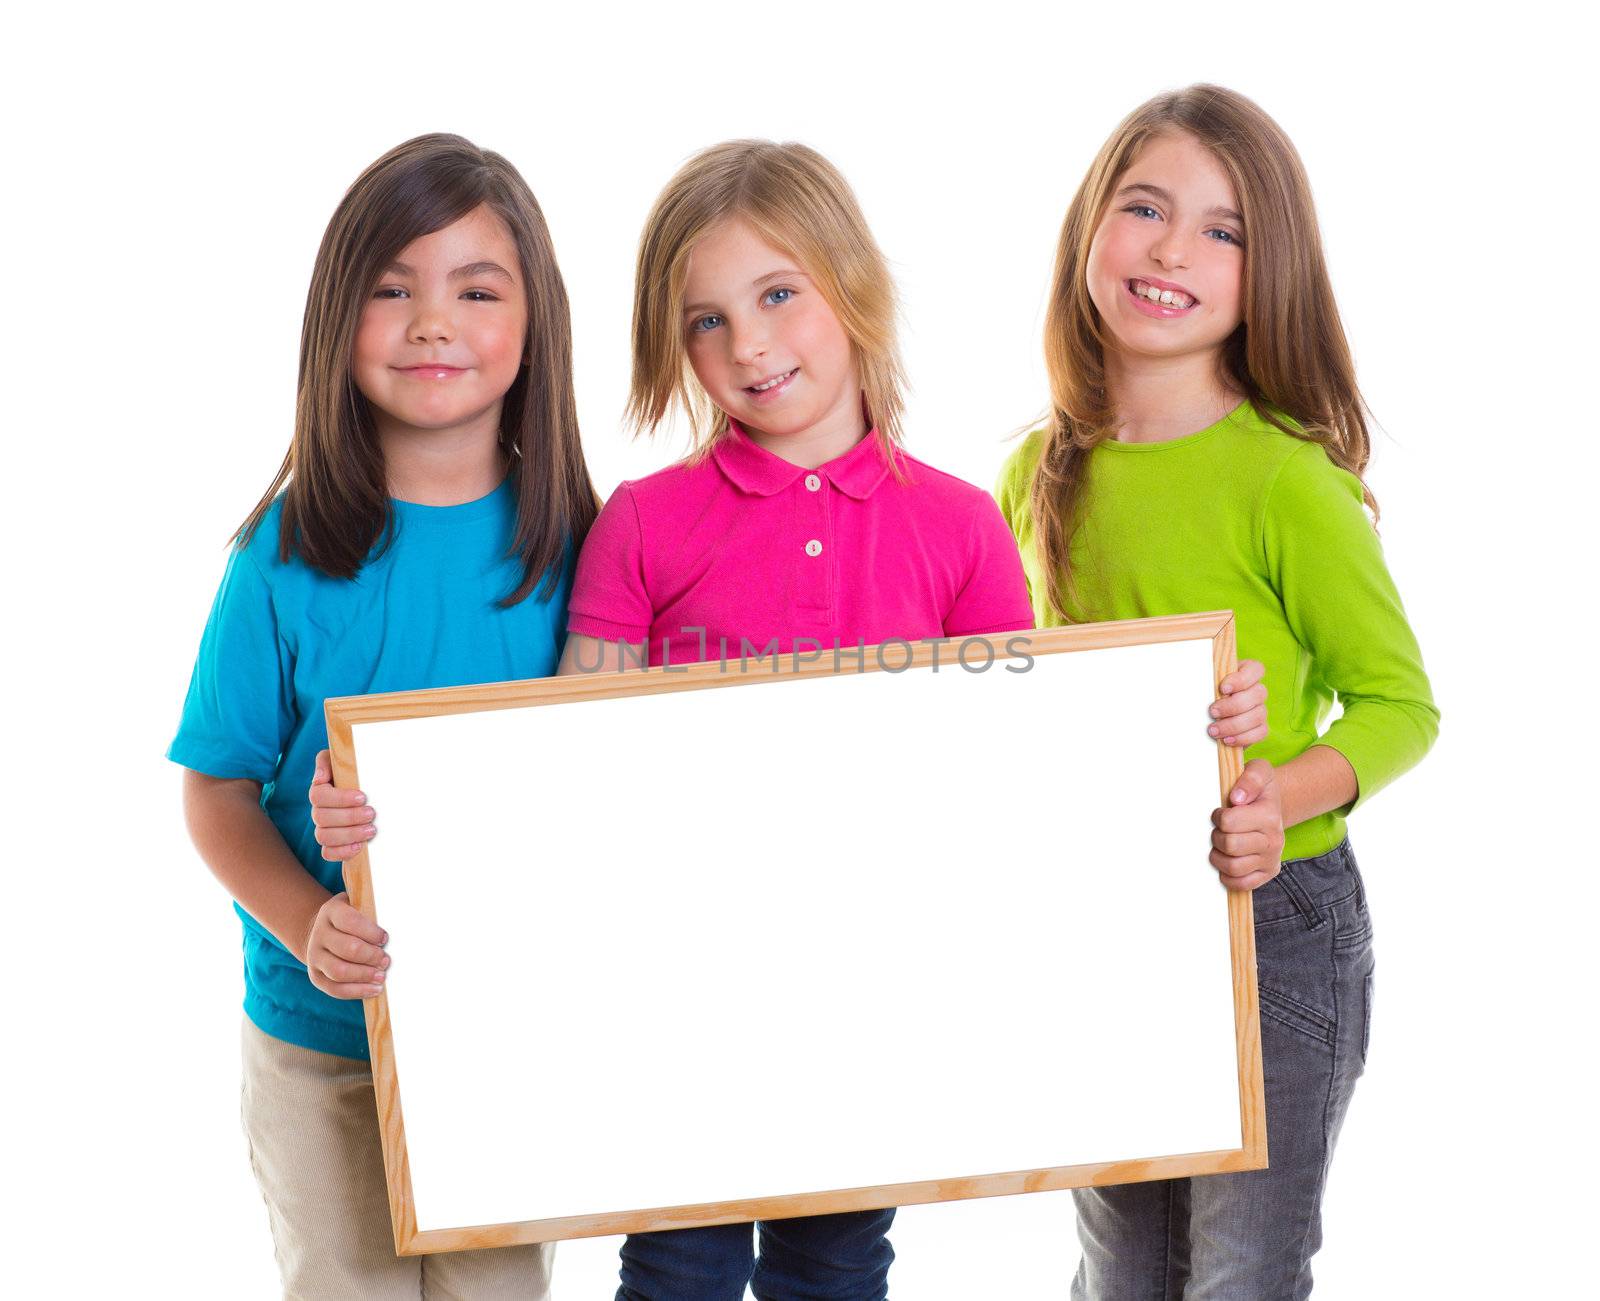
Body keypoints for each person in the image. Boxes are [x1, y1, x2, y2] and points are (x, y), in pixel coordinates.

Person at [315, 137, 1276, 1300]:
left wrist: (1184, 729)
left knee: (836, 1258)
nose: (750, 344)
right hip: (681, 997)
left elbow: (1020, 769)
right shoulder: (645, 522)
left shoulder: (962, 525)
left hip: (870, 994)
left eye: (778, 295)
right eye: (706, 321)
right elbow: (576, 751)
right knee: (678, 1260)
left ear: (853, 287)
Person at [995, 85, 1440, 1298]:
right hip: (1108, 920)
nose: (1171, 249)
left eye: (1221, 229)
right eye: (1143, 208)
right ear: (1091, 227)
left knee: (1241, 1273)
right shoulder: (1034, 471)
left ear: (1267, 270)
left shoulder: (1285, 479)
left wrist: (1275, 790)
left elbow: (1401, 705)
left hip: (1272, 925)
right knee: (1120, 1270)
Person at [169, 132, 597, 1299]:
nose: (430, 321)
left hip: (502, 1039)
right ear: (336, 321)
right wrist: (308, 917)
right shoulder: (284, 556)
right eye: (391, 287)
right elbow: (213, 787)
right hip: (318, 1043)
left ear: (533, 323)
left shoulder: (582, 551)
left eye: (475, 287)